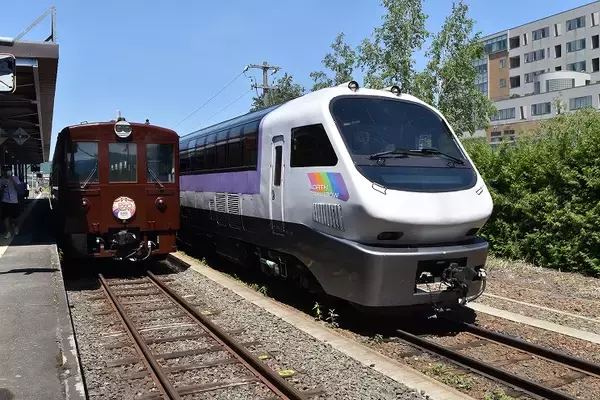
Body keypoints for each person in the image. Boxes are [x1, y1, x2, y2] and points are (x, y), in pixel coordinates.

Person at [0, 167, 21, 239]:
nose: (5, 173)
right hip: (5, 200)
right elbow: (1, 190)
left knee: (14, 218)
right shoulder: (1, 180)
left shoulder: (15, 178)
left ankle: (15, 227)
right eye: (4, 171)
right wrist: (3, 188)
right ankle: (8, 232)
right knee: (5, 217)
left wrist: (12, 179)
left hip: (14, 201)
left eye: (7, 171)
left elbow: (18, 188)